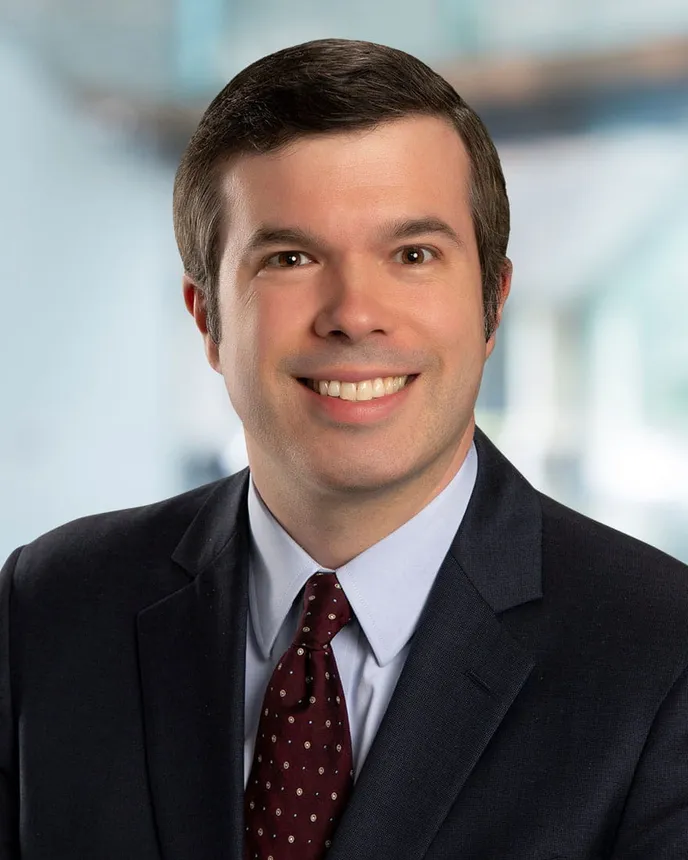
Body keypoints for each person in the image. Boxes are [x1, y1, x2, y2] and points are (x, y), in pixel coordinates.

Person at [1, 37, 687, 860]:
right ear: (207, 319)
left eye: (412, 255)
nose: (355, 313)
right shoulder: (51, 605)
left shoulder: (661, 654)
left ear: (492, 304)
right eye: (291, 257)